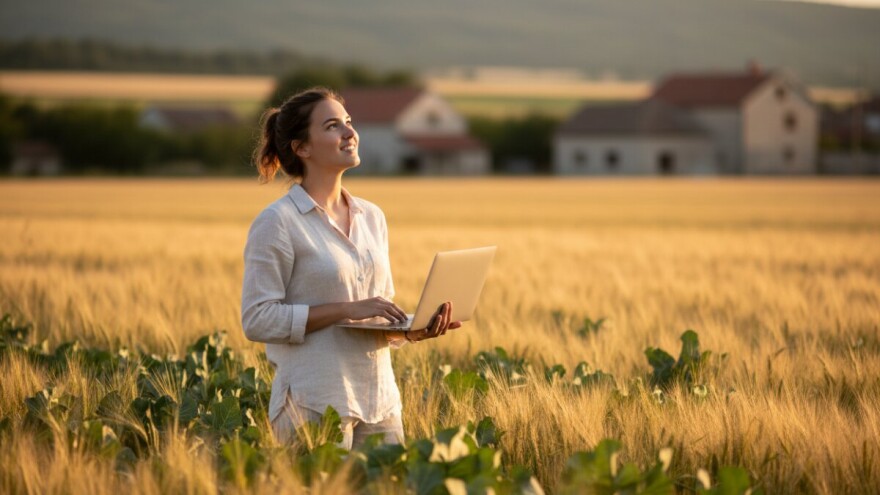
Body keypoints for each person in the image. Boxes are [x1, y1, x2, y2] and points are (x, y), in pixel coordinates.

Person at [241, 87, 460, 450]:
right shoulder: (278, 222)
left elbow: (376, 314)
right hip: (313, 406)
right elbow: (258, 320)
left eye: (349, 122)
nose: (349, 133)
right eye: (332, 126)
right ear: (302, 148)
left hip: (380, 404)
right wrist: (345, 309)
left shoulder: (372, 217)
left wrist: (410, 331)